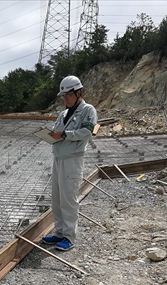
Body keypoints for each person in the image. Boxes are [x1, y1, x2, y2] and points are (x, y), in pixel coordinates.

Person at [41, 75, 97, 252]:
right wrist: (49, 134)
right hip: (58, 158)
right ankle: (59, 232)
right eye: (63, 96)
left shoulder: (88, 110)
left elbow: (87, 132)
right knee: (57, 199)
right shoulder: (63, 114)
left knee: (68, 198)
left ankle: (69, 236)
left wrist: (65, 135)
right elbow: (57, 131)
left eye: (68, 95)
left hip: (72, 159)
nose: (65, 98)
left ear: (78, 93)